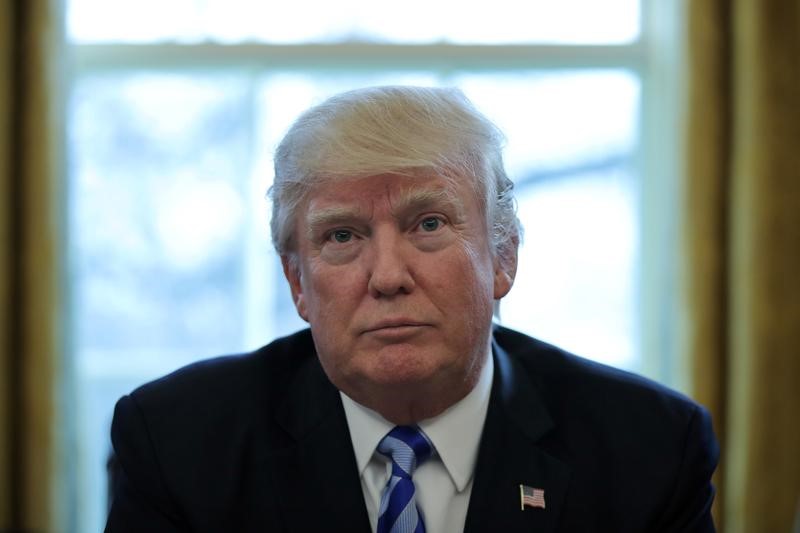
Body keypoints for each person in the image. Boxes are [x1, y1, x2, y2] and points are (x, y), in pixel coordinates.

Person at [105, 86, 719, 533]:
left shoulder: (651, 448)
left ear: (502, 256)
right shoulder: (178, 445)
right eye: (342, 236)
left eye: (428, 224)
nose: (389, 277)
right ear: (297, 282)